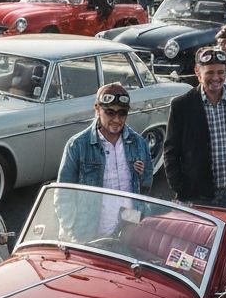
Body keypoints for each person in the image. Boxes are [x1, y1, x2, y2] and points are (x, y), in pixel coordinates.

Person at [164, 46, 226, 209]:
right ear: (197, 72)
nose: (216, 77)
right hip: (198, 198)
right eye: (210, 72)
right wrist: (181, 189)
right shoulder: (181, 105)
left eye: (220, 72)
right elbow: (171, 152)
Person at [56, 84, 153, 238]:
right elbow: (63, 194)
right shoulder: (77, 145)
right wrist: (73, 230)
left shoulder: (138, 143)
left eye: (122, 113)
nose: (117, 119)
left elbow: (146, 184)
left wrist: (139, 177)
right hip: (90, 232)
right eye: (110, 112)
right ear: (97, 109)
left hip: (129, 228)